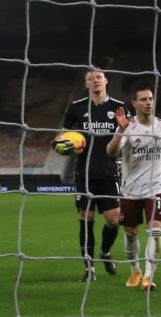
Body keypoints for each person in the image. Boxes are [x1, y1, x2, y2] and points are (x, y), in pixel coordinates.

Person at [53, 68, 129, 282]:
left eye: (98, 77)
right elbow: (62, 134)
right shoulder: (76, 108)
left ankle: (105, 252)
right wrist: (60, 144)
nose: (95, 80)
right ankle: (89, 269)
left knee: (114, 221)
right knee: (86, 218)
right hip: (84, 173)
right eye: (90, 78)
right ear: (86, 84)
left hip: (109, 172)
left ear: (106, 81)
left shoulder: (119, 108)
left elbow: (129, 136)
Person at [106, 85, 161, 291]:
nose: (148, 102)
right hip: (131, 189)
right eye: (144, 99)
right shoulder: (127, 127)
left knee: (155, 231)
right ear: (134, 103)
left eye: (151, 99)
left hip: (156, 187)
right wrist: (120, 130)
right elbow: (110, 152)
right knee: (130, 234)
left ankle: (148, 277)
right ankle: (135, 270)